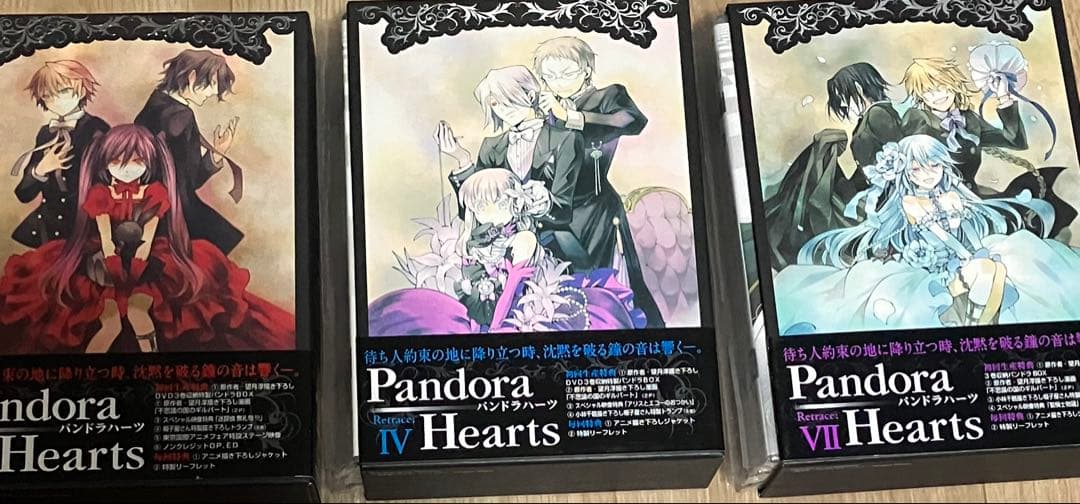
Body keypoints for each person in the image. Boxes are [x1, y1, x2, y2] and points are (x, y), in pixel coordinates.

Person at [0, 124, 294, 354]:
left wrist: (139, 263)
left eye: (137, 160)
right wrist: (112, 261)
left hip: (150, 253)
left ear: (149, 163)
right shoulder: (101, 193)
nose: (127, 167)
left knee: (142, 312)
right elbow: (104, 232)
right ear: (105, 163)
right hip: (103, 254)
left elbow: (150, 232)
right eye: (117, 160)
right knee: (107, 320)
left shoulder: (154, 192)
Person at [773, 135, 1080, 335]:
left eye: (933, 165)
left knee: (998, 268)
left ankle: (977, 326)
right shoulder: (910, 203)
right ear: (905, 172)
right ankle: (972, 326)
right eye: (917, 169)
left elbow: (970, 231)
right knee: (987, 270)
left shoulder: (954, 196)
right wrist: (964, 254)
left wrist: (971, 240)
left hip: (965, 260)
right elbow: (937, 238)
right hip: (931, 270)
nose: (928, 173)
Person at [369, 168, 644, 335]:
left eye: (492, 204)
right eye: (477, 206)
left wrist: (494, 328)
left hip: (523, 310)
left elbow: (513, 288)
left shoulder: (523, 240)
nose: (483, 212)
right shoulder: (477, 239)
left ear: (513, 204)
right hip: (487, 311)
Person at [530, 36, 665, 327]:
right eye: (550, 76)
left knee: (602, 283)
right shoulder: (546, 109)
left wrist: (573, 117)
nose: (558, 82)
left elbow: (632, 121)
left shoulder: (607, 96)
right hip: (553, 211)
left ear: (587, 71)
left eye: (567, 73)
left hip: (595, 209)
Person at [901, 56, 1076, 237]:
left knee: (1037, 204)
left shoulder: (968, 120)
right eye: (928, 92)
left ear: (953, 85)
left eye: (941, 87)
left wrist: (1003, 96)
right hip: (940, 206)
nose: (937, 96)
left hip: (973, 197)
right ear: (920, 96)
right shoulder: (918, 120)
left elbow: (1015, 141)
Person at [134, 49, 245, 254]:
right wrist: (216, 155)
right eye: (212, 83)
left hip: (144, 207)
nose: (213, 92)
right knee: (220, 242)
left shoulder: (155, 103)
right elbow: (191, 180)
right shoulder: (182, 116)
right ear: (192, 76)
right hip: (175, 213)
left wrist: (216, 153)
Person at [10, 60, 110, 248]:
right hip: (48, 226)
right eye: (48, 96)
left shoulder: (97, 129)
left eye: (63, 91)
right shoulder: (45, 133)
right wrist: (40, 169)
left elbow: (107, 180)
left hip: (86, 225)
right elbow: (23, 194)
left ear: (82, 89)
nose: (56, 100)